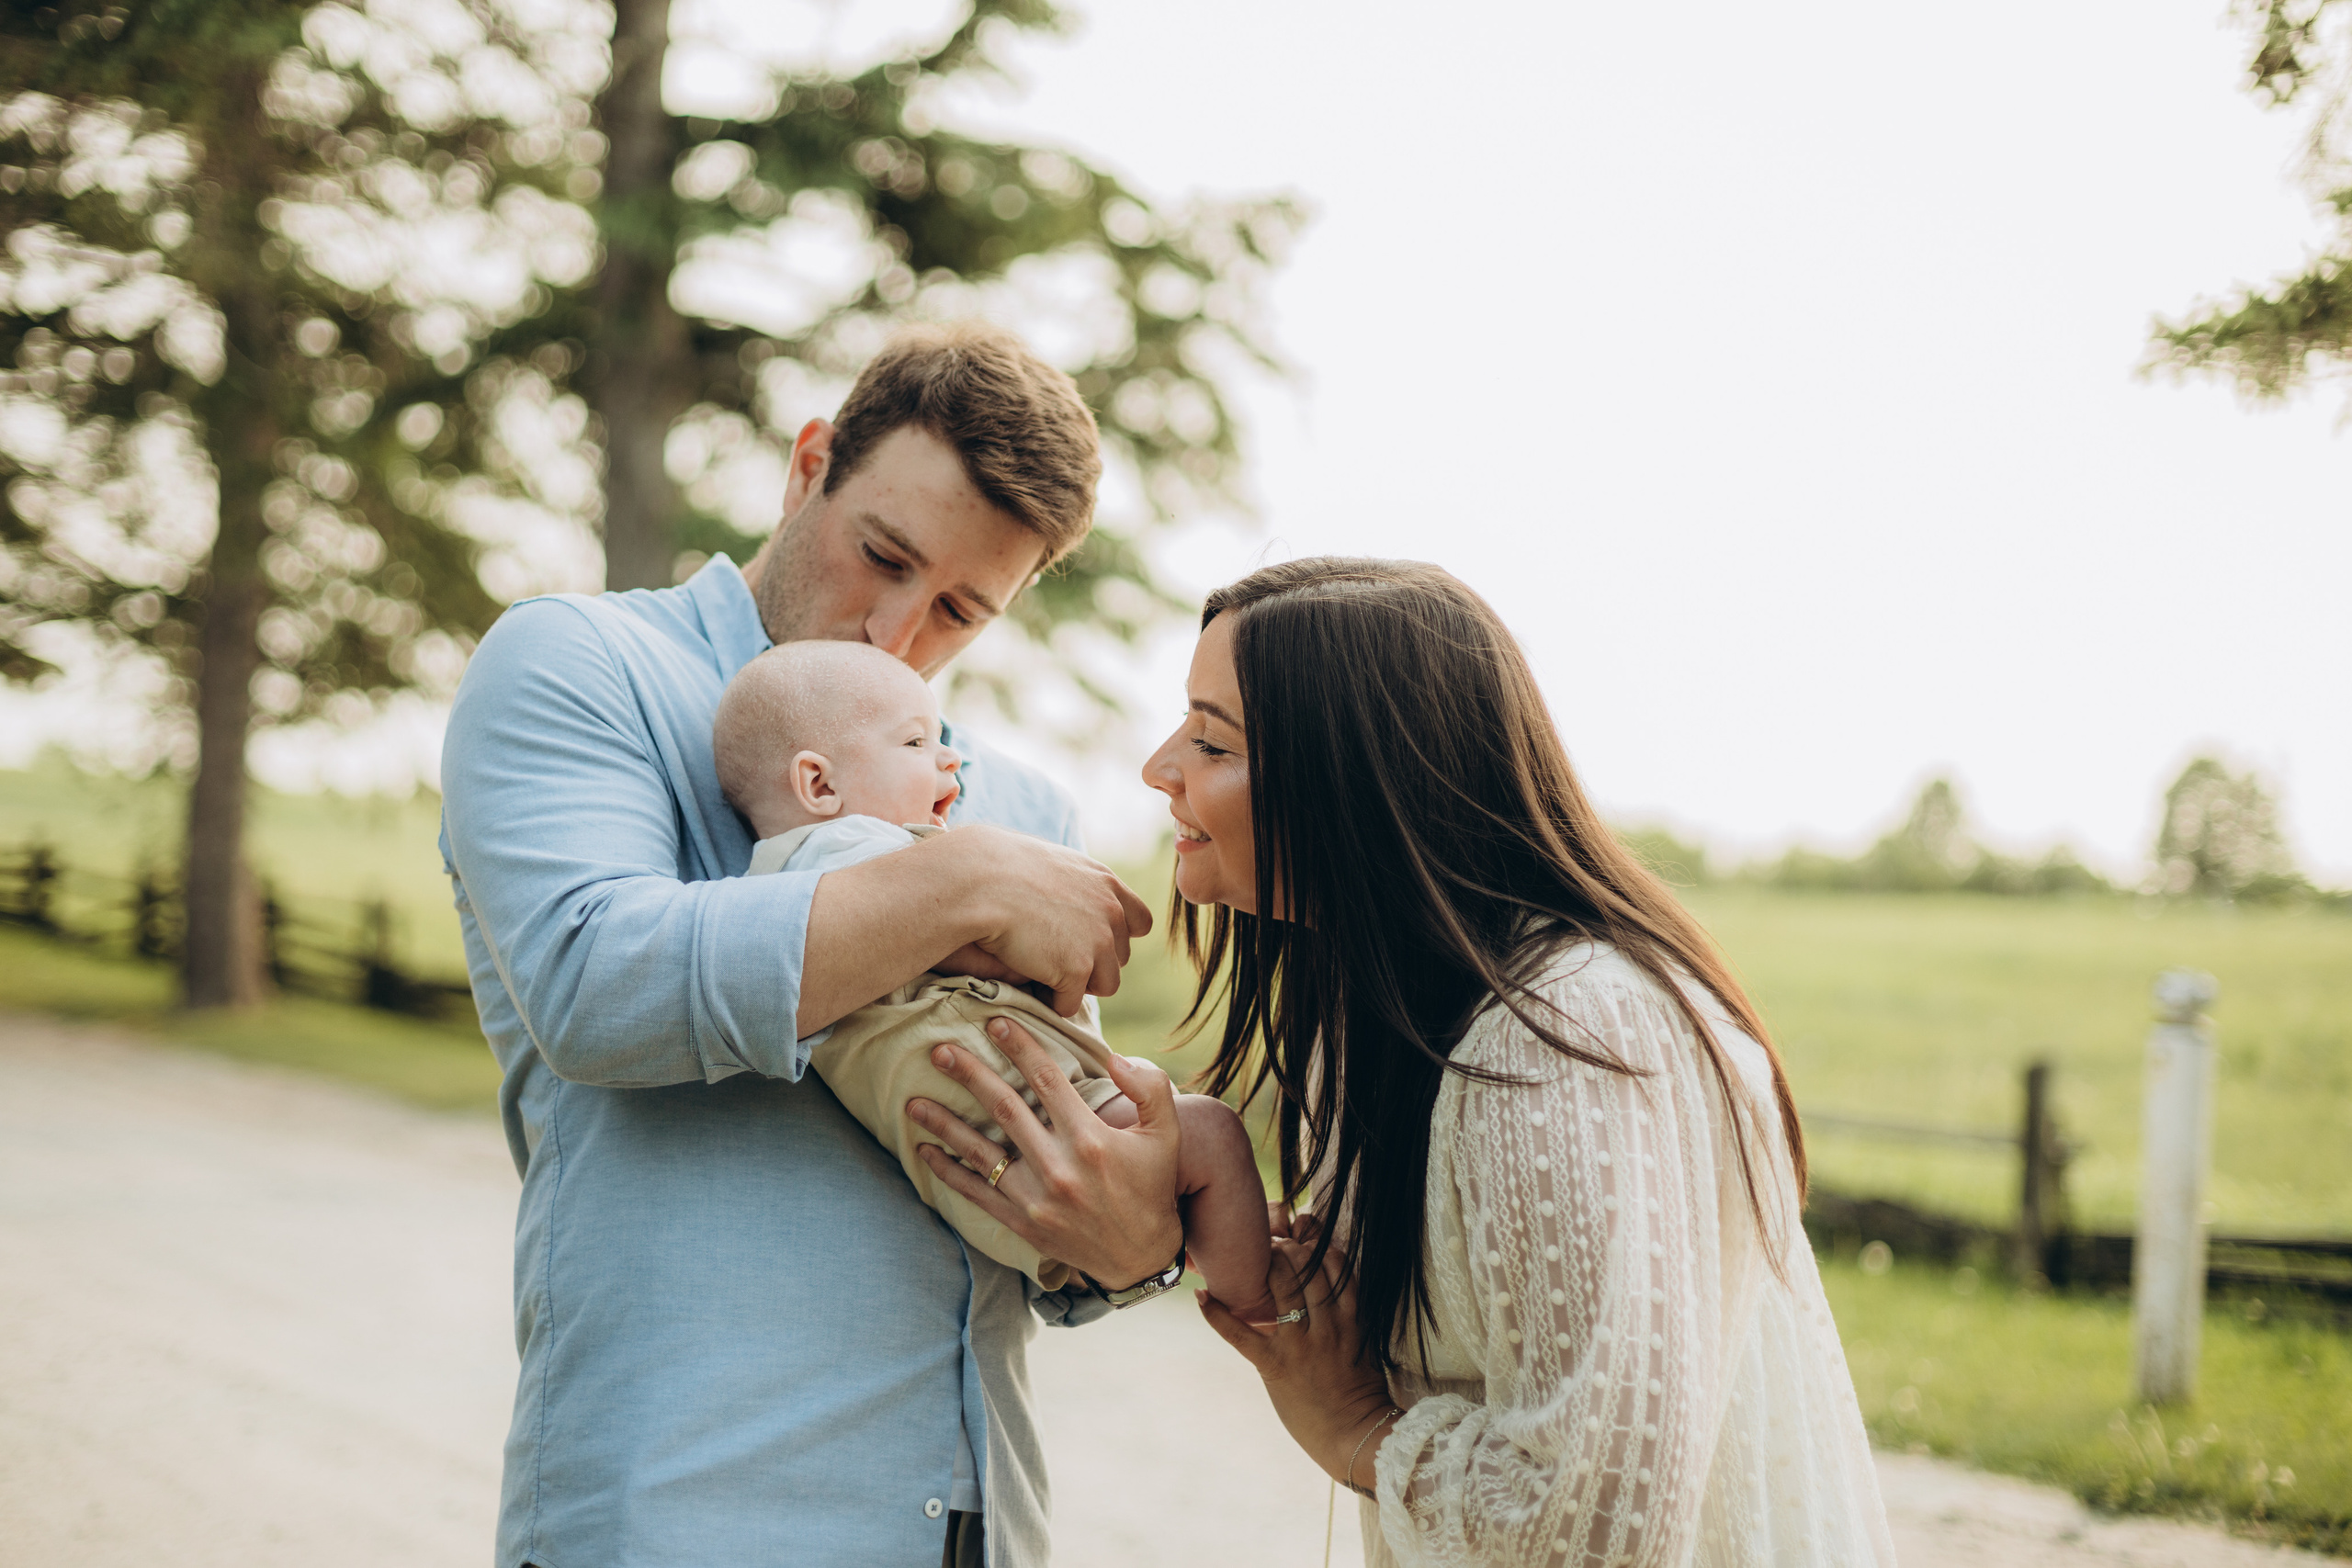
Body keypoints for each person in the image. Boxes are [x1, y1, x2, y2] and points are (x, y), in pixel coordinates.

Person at [438, 323, 1189, 1568]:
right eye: (882, 555)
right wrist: (960, 881)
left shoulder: (1015, 808)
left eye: (959, 608)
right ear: (809, 467)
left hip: (976, 1522)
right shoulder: (580, 664)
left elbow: (1055, 1166)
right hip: (682, 1512)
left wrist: (1125, 1247)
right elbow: (591, 982)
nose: (896, 632)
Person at [1145, 557, 1893, 1565]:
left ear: (1357, 778)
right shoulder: (1371, 1018)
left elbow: (1594, 1530)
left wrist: (1360, 1429)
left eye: (1211, 741)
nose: (1159, 768)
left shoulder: (1561, 1042)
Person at [710, 637, 1274, 1318]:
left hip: (989, 1164)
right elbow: (981, 944)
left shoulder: (764, 895)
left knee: (1192, 1163)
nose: (951, 757)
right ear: (819, 784)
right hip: (1038, 1130)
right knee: (1211, 1132)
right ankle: (1266, 1309)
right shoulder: (854, 856)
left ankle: (1253, 1256)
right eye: (916, 742)